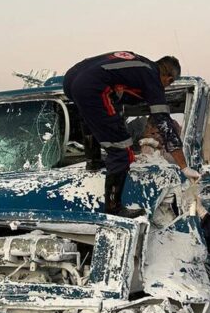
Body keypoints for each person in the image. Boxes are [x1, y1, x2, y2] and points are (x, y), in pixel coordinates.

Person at [63, 52, 197, 217]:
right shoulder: (152, 78)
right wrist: (184, 167)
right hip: (92, 87)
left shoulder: (139, 65)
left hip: (71, 80)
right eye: (168, 85)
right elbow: (164, 123)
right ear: (169, 79)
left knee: (90, 115)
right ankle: (113, 208)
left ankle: (93, 161)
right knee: (122, 151)